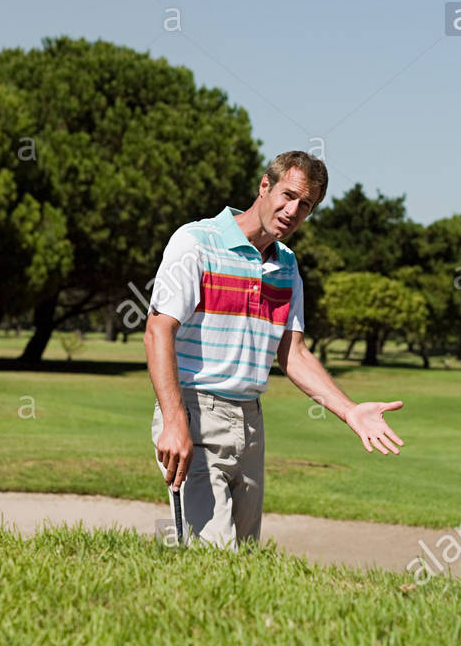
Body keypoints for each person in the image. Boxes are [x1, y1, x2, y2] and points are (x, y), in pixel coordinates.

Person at [144, 151, 405, 548]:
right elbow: (158, 330)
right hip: (196, 412)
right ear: (264, 186)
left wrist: (349, 410)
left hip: (250, 423)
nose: (293, 210)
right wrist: (174, 419)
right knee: (211, 555)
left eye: (306, 205)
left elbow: (293, 353)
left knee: (245, 558)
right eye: (288, 195)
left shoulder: (286, 265)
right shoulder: (196, 242)